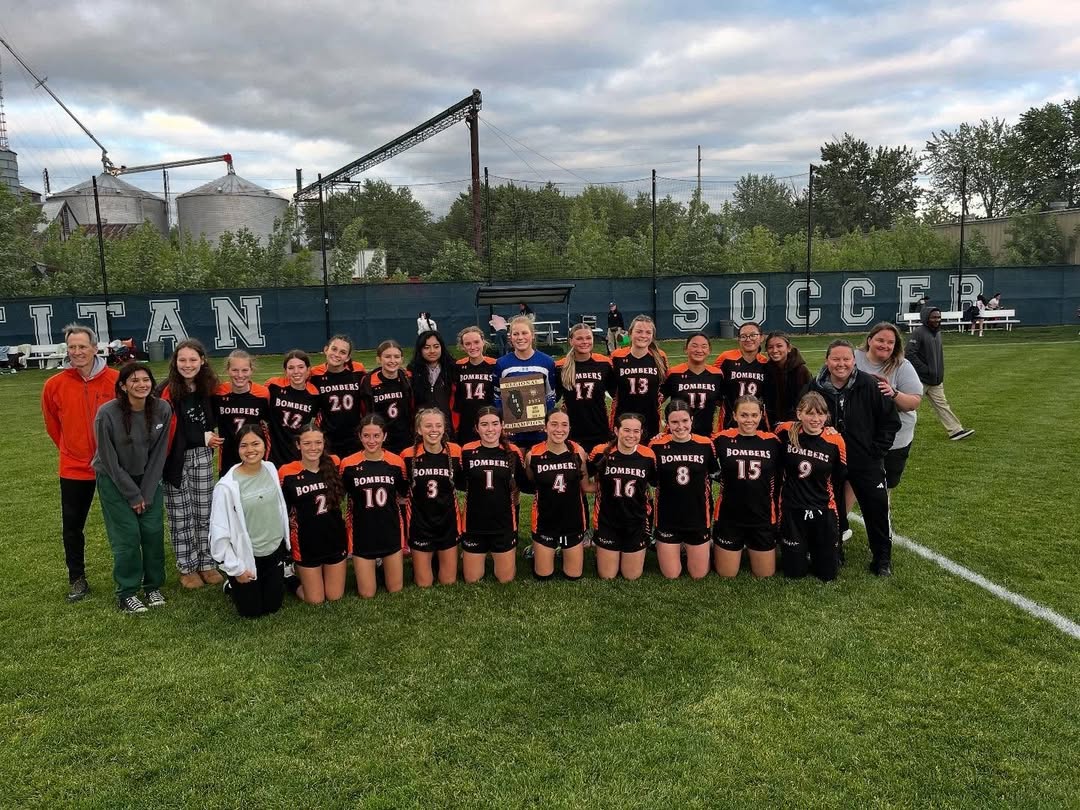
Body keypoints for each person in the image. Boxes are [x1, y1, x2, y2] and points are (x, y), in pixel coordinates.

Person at [41, 323, 120, 602]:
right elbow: (53, 426)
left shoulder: (116, 380)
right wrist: (72, 450)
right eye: (72, 347)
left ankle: (133, 574)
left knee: (125, 522)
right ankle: (77, 578)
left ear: (94, 348)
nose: (77, 352)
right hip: (74, 468)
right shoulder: (54, 385)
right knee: (72, 525)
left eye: (82, 347)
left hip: (114, 466)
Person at [808, 340, 900, 576]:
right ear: (827, 360)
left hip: (865, 461)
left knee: (876, 509)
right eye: (836, 359)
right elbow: (802, 418)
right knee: (832, 508)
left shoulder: (868, 384)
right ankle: (834, 551)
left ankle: (882, 559)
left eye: (846, 359)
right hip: (829, 461)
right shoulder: (815, 387)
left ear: (853, 361)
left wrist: (876, 451)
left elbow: (890, 421)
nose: (841, 364)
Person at [92, 363, 172, 613]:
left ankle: (152, 586)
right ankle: (127, 592)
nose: (141, 385)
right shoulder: (107, 413)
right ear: (123, 386)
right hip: (115, 481)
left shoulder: (162, 408)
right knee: (127, 537)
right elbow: (108, 459)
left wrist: (146, 493)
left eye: (145, 379)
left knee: (152, 533)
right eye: (134, 380)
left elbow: (159, 455)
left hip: (148, 480)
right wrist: (133, 494)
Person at [158, 339, 224, 589]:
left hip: (203, 457)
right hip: (174, 460)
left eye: (193, 360)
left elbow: (216, 418)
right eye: (182, 360)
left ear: (202, 361)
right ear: (175, 362)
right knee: (180, 515)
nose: (187, 365)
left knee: (205, 512)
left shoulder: (209, 387)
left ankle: (207, 563)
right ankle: (187, 566)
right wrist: (201, 436)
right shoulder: (165, 390)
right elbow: (167, 430)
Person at [209, 423, 290, 618]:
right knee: (251, 612)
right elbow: (219, 532)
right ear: (237, 449)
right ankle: (232, 582)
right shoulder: (227, 486)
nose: (250, 450)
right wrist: (235, 568)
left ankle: (281, 572)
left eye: (256, 444)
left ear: (264, 446)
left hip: (273, 550)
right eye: (244, 445)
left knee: (273, 606)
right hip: (247, 556)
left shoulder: (270, 469)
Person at [775, 393, 847, 581]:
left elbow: (840, 478)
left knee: (827, 574)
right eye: (810, 414)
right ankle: (799, 551)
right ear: (799, 414)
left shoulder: (835, 440)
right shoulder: (785, 431)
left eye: (821, 414)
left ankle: (821, 549)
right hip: (793, 508)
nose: (816, 419)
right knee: (794, 573)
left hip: (823, 507)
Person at [711, 395, 782, 578]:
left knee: (764, 574)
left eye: (753, 415)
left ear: (761, 415)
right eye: (743, 415)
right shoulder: (721, 439)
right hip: (729, 516)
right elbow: (692, 444)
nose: (749, 420)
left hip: (762, 516)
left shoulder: (773, 441)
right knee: (727, 574)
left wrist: (827, 429)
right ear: (734, 416)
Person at [278, 423, 348, 604]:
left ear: (324, 444)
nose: (313, 448)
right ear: (298, 445)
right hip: (306, 542)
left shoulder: (335, 463)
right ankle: (290, 579)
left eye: (318, 443)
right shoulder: (287, 472)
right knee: (315, 600)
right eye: (307, 443)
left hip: (334, 538)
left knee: (334, 596)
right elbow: (282, 509)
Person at [340, 415, 409, 598]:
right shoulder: (348, 465)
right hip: (362, 533)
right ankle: (374, 567)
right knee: (367, 593)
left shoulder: (396, 462)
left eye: (376, 436)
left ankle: (382, 566)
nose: (372, 441)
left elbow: (403, 494)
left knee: (395, 589)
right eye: (367, 436)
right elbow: (340, 496)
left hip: (390, 530)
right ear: (360, 437)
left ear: (384, 436)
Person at [458, 407, 529, 584]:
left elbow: (525, 483)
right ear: (476, 427)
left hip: (503, 523)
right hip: (474, 523)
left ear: (502, 426)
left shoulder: (512, 451)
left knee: (505, 579)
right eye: (484, 424)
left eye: (495, 424)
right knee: (472, 579)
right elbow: (458, 481)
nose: (490, 429)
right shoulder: (466, 451)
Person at [650, 400, 718, 580]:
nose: (680, 426)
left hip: (697, 516)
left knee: (698, 574)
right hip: (667, 517)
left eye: (685, 421)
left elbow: (714, 473)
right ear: (666, 424)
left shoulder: (705, 444)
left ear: (692, 420)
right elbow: (651, 480)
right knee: (672, 574)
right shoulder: (656, 446)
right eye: (674, 422)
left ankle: (694, 546)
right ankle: (675, 545)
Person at [587, 412, 657, 581]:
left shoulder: (648, 455)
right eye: (626, 430)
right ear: (616, 431)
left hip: (636, 521)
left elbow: (653, 483)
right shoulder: (600, 452)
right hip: (607, 520)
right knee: (608, 575)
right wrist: (597, 487)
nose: (631, 435)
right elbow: (584, 476)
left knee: (631, 576)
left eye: (636, 431)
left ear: (641, 433)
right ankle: (603, 551)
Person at [855, 323, 923, 489]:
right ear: (869, 340)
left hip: (894, 438)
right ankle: (840, 514)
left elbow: (914, 403)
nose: (885, 345)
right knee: (852, 478)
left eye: (890, 342)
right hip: (858, 434)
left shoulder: (902, 365)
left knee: (883, 485)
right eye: (880, 340)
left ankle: (882, 515)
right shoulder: (853, 358)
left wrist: (893, 393)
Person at [400, 408, 463, 587]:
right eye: (428, 426)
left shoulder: (456, 452)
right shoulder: (407, 455)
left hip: (448, 520)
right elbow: (402, 488)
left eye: (438, 425)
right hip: (420, 522)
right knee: (424, 583)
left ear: (444, 428)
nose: (433, 430)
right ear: (419, 430)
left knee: (448, 581)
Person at [526, 410, 591, 581]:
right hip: (545, 522)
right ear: (545, 427)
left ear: (570, 428)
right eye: (554, 424)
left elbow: (586, 486)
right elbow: (530, 482)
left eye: (564, 425)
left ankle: (565, 549)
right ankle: (536, 549)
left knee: (573, 575)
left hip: (573, 521)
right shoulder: (533, 455)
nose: (559, 429)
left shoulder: (578, 452)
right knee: (543, 575)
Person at [905, 308, 975, 442]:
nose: (937, 320)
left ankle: (956, 431)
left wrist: (937, 372)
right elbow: (909, 353)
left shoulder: (937, 332)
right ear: (926, 318)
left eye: (938, 317)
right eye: (933, 317)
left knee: (942, 405)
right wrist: (925, 369)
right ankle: (890, 430)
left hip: (935, 380)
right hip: (920, 379)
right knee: (907, 407)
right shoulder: (918, 333)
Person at [493, 316, 557, 448]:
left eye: (524, 333)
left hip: (539, 431)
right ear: (510, 337)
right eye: (515, 334)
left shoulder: (547, 362)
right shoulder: (501, 363)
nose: (520, 337)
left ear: (532, 335)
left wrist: (546, 421)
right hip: (513, 432)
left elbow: (550, 396)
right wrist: (503, 420)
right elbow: (497, 396)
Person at [555, 323, 616, 454]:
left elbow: (617, 395)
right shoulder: (561, 366)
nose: (585, 342)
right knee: (578, 472)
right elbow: (552, 398)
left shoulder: (604, 363)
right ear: (571, 341)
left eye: (588, 338)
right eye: (579, 338)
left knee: (601, 471)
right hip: (572, 430)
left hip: (599, 427)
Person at [212, 350, 270, 476]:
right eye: (235, 370)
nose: (240, 375)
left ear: (251, 370)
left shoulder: (262, 394)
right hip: (228, 457)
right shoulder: (218, 393)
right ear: (228, 370)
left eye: (244, 370)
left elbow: (268, 424)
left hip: (253, 454)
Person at [610, 315, 668, 441]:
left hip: (651, 419)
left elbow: (665, 385)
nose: (643, 335)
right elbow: (610, 385)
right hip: (623, 418)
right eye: (639, 331)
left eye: (648, 332)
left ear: (653, 335)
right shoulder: (617, 357)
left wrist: (659, 399)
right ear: (630, 334)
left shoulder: (660, 357)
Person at [310, 335, 366, 457]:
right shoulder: (314, 375)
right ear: (326, 350)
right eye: (334, 349)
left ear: (347, 357)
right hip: (328, 436)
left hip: (354, 436)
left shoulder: (357, 371)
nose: (337, 354)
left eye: (343, 352)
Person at [715, 321, 775, 431]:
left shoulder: (766, 364)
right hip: (730, 419)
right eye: (743, 336)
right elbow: (713, 383)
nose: (748, 339)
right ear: (738, 339)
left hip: (755, 420)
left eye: (753, 335)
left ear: (761, 337)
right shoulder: (726, 358)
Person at [662, 333, 725, 437]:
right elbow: (659, 401)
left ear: (709, 351)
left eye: (704, 346)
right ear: (685, 349)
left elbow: (721, 403)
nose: (699, 350)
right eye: (694, 346)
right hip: (678, 433)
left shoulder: (717, 375)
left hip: (706, 434)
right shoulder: (673, 374)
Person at [266, 350, 321, 466]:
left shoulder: (314, 394)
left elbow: (318, 419)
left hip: (298, 449)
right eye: (291, 368)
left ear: (308, 370)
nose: (296, 372)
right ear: (285, 371)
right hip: (274, 449)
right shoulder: (274, 386)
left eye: (301, 367)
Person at [361, 339, 413, 454]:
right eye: (387, 356)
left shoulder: (408, 379)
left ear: (402, 359)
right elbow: (364, 410)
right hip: (380, 440)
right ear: (379, 359)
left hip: (405, 438)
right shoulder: (369, 382)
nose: (392, 360)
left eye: (396, 356)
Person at [454, 326, 496, 447]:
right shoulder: (458, 367)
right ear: (462, 346)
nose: (473, 347)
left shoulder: (494, 365)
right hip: (466, 422)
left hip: (489, 420)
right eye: (468, 344)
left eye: (476, 342)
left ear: (483, 341)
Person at [408, 330, 456, 435]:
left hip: (447, 428)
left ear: (442, 348)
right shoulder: (412, 372)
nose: (432, 351)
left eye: (436, 346)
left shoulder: (453, 369)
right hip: (422, 430)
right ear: (420, 350)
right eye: (426, 347)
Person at [764, 331, 810, 425]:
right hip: (772, 424)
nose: (775, 350)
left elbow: (806, 401)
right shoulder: (766, 370)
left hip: (796, 424)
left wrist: (791, 423)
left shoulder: (801, 371)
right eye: (770, 347)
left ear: (788, 348)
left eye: (779, 346)